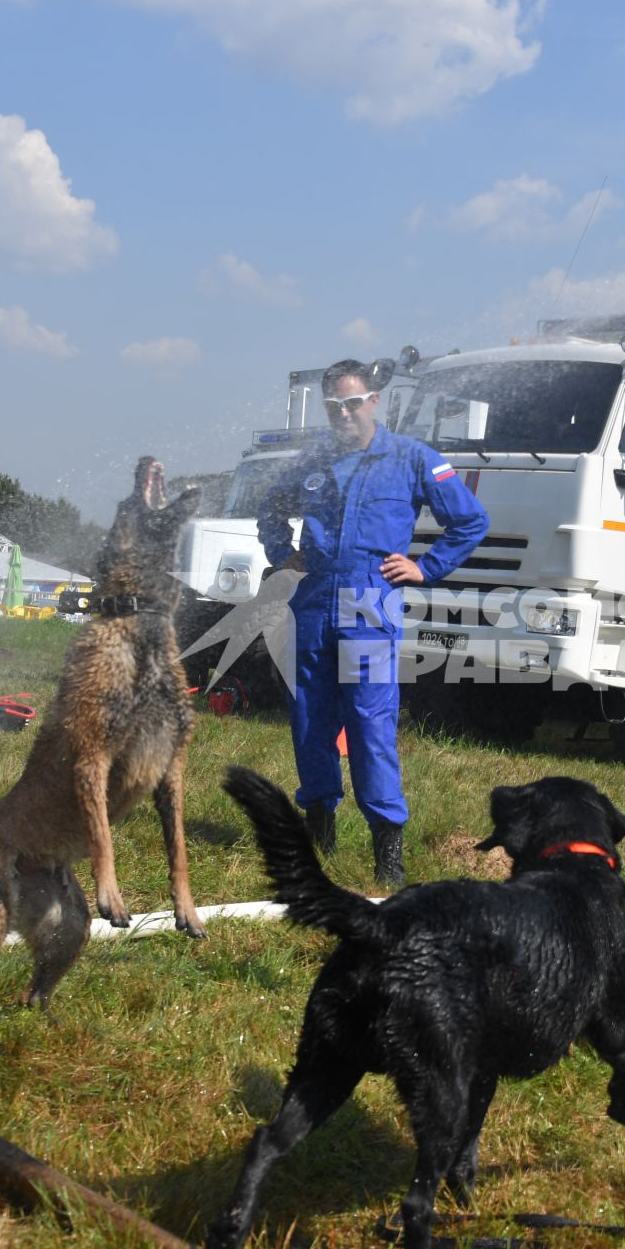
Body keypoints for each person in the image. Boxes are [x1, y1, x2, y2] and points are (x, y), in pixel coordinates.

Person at [259, 358, 489, 886]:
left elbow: (470, 520)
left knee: (369, 723)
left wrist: (426, 566)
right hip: (314, 599)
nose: (344, 413)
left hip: (369, 603)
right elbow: (269, 506)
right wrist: (280, 553)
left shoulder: (411, 458)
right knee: (310, 720)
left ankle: (387, 848)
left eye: (353, 402)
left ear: (373, 401)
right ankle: (320, 829)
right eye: (334, 405)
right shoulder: (313, 459)